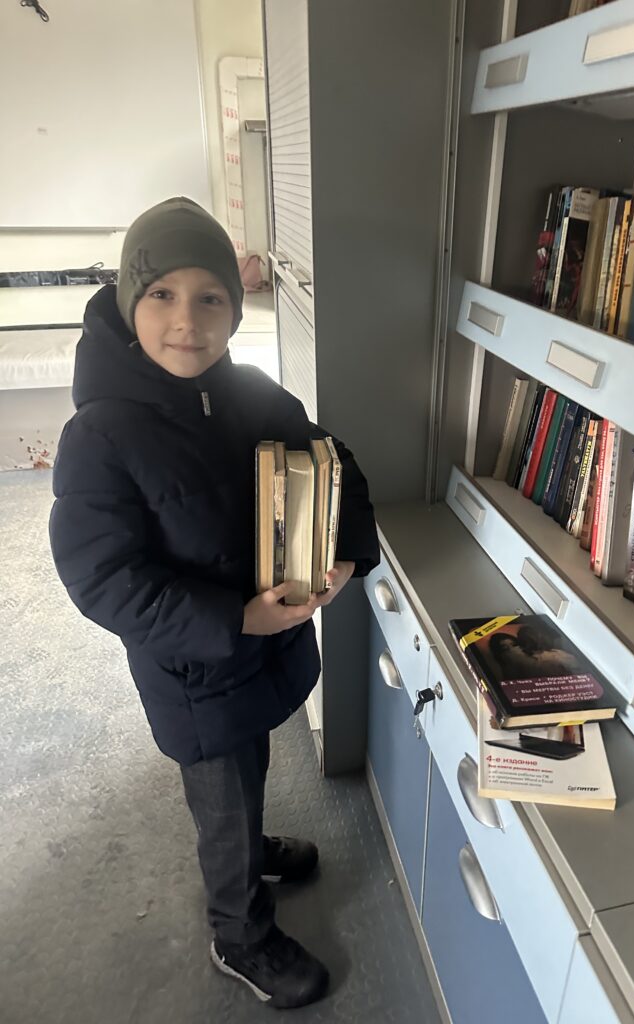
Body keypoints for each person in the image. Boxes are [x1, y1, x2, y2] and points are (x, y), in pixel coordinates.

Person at [49, 197, 380, 1010]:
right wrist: (236, 619)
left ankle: (252, 850)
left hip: (260, 652)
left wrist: (343, 550)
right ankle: (240, 935)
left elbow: (331, 461)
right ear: (129, 301)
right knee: (223, 797)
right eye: (162, 294)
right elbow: (102, 578)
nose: (187, 321)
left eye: (210, 298)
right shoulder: (100, 434)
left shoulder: (249, 393)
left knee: (249, 766)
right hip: (195, 670)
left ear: (234, 308)